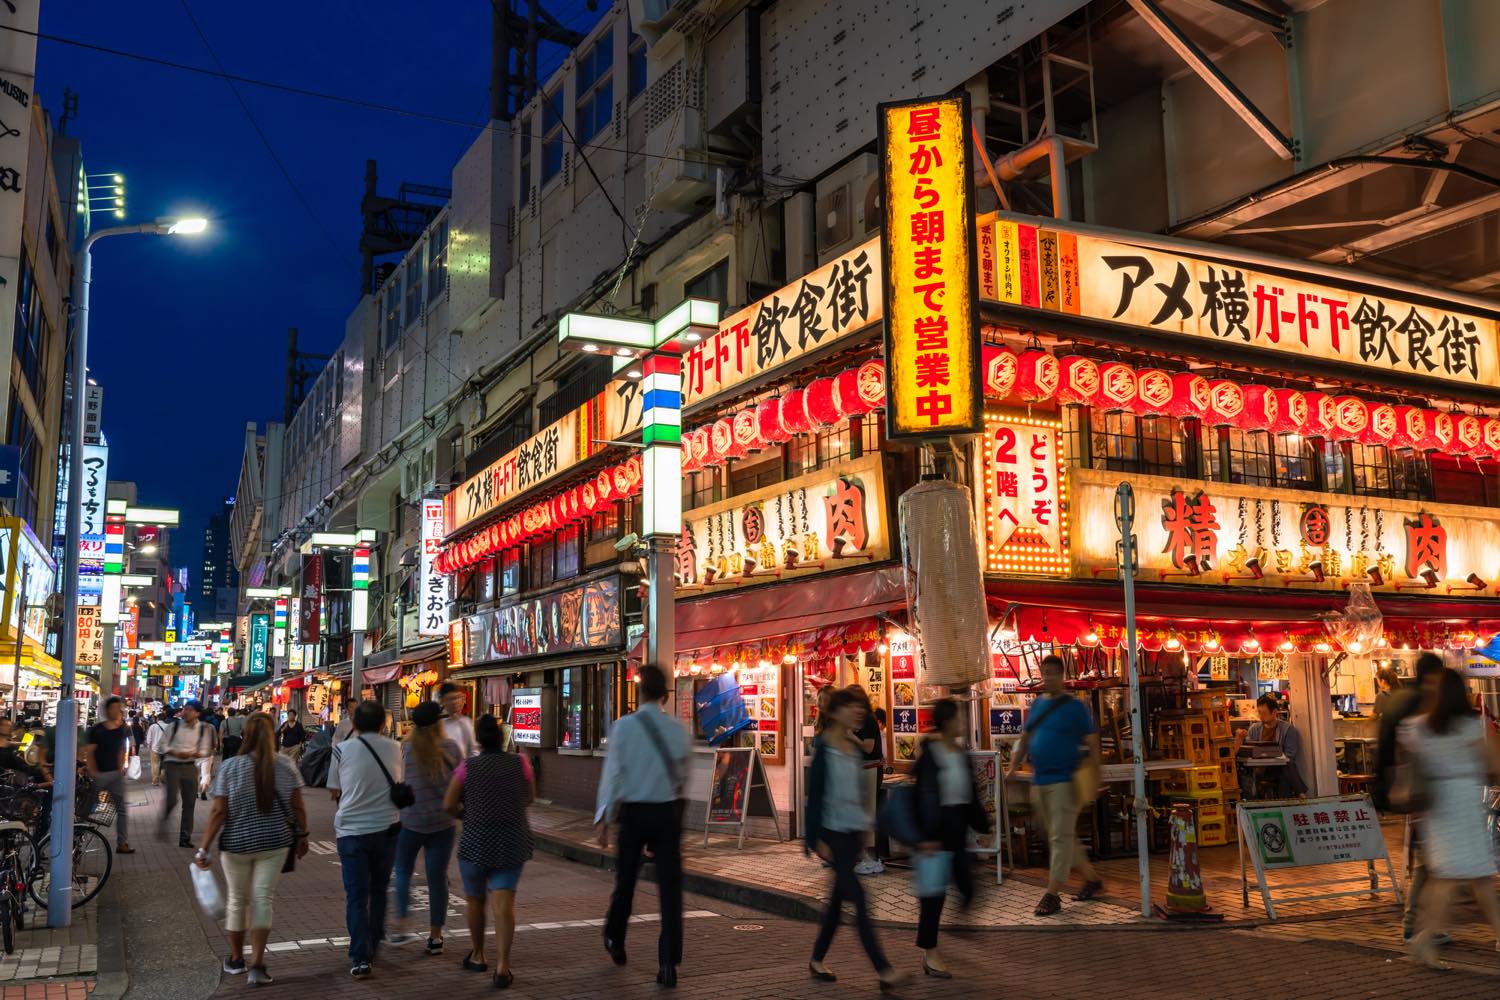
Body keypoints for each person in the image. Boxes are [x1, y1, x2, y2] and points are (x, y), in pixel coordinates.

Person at [804, 687, 908, 991]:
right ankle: (884, 970)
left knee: (837, 904)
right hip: (833, 836)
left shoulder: (852, 747)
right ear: (836, 712)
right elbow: (817, 795)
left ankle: (816, 958)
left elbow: (858, 794)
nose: (859, 711)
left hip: (852, 834)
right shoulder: (825, 747)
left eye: (861, 707)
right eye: (852, 707)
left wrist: (865, 830)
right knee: (861, 902)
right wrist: (814, 840)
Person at [194, 713, 309, 986]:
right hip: (275, 843)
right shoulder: (286, 766)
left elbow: (219, 811)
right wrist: (303, 835)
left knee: (237, 899)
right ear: (274, 737)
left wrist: (204, 848)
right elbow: (298, 806)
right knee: (262, 899)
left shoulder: (231, 767)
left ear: (244, 736)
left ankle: (236, 959)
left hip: (236, 843)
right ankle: (258, 965)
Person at [594, 665, 690, 988]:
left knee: (626, 882)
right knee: (671, 891)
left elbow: (613, 776)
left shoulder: (623, 728)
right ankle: (667, 964)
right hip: (666, 813)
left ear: (639, 691)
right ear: (665, 695)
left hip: (634, 813)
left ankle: (615, 938)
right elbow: (684, 777)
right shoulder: (679, 730)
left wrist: (604, 819)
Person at [1399, 667, 1500, 969]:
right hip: (1465, 799)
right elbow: (1494, 763)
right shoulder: (1471, 725)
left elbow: (1409, 759)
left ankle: (1425, 937)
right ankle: (1425, 937)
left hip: (1437, 803)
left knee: (1457, 873)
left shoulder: (1418, 726)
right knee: (1469, 873)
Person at [1006, 654, 1103, 917]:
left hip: (1065, 780)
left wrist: (1096, 772)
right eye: (1044, 673)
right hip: (1040, 780)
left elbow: (1093, 742)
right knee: (1060, 836)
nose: (1047, 678)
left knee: (1059, 837)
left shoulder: (1075, 707)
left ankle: (1052, 894)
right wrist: (1013, 765)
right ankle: (1092, 879)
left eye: (1052, 673)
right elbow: (1025, 738)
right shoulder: (1037, 704)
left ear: (1062, 676)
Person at [443, 714, 533, 989]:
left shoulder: (467, 767)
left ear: (479, 740)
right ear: (501, 736)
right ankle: (503, 965)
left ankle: (479, 954)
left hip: (476, 840)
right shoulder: (521, 763)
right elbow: (528, 797)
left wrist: (466, 814)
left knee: (475, 901)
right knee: (504, 904)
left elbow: (448, 804)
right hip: (512, 839)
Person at [910, 698, 990, 978]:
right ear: (945, 721)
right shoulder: (930, 755)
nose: (962, 723)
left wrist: (984, 826)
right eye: (957, 718)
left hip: (957, 826)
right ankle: (930, 953)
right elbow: (921, 797)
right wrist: (923, 835)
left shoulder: (959, 753)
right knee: (934, 896)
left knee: (968, 884)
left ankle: (957, 924)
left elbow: (970, 795)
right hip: (935, 829)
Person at [1373, 653, 1447, 941]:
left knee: (1429, 858)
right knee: (1431, 860)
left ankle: (1420, 922)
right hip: (1422, 790)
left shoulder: (1400, 699)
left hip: (1407, 789)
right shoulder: (1421, 702)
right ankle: (1416, 923)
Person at [328, 700, 403, 980]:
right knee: (379, 889)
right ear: (383, 724)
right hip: (387, 828)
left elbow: (334, 791)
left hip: (351, 831)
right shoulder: (397, 748)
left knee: (356, 896)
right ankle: (373, 943)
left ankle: (360, 956)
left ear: (355, 724)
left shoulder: (341, 749)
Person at [389, 701, 459, 955]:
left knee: (404, 872)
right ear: (438, 723)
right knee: (437, 878)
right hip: (442, 822)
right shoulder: (451, 748)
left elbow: (398, 782)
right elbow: (460, 782)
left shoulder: (404, 749)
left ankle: (401, 925)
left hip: (410, 821)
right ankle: (435, 936)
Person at [83, 696, 134, 855]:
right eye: (114, 708)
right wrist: (93, 772)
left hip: (115, 775)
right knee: (87, 808)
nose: (118, 710)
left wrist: (122, 766)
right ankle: (77, 836)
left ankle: (122, 843)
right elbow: (89, 752)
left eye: (119, 708)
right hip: (99, 775)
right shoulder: (97, 730)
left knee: (122, 809)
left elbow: (122, 749)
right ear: (107, 710)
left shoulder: (122, 729)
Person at [160, 702, 214, 848]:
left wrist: (194, 753)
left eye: (189, 710)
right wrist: (175, 752)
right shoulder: (174, 726)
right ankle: (163, 822)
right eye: (185, 709)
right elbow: (162, 745)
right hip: (172, 765)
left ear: (197, 713)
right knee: (172, 799)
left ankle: (185, 837)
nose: (185, 712)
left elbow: (205, 750)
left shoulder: (203, 729)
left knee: (189, 803)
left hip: (190, 766)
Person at [1234, 693, 1308, 800]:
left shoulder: (1288, 730)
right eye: (1259, 712)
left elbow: (1290, 755)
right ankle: (1301, 793)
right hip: (1258, 768)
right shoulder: (1254, 728)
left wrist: (1272, 758)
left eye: (1264, 713)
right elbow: (1248, 750)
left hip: (1278, 768)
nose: (1260, 716)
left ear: (1274, 712)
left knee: (1287, 766)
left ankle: (1286, 803)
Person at [847, 685, 885, 876]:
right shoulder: (854, 720)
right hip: (859, 770)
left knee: (869, 813)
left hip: (871, 769)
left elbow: (869, 748)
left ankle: (873, 859)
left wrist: (850, 736)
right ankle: (861, 856)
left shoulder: (869, 720)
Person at [438, 684, 478, 759]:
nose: (455, 702)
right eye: (451, 699)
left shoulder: (466, 722)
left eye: (457, 698)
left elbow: (473, 750)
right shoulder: (437, 723)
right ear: (442, 700)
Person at [146, 710, 173, 786]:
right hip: (165, 749)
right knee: (165, 764)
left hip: (155, 748)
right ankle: (163, 778)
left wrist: (149, 746)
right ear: (165, 719)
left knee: (155, 764)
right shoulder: (168, 726)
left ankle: (155, 781)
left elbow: (149, 739)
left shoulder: (152, 726)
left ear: (157, 719)